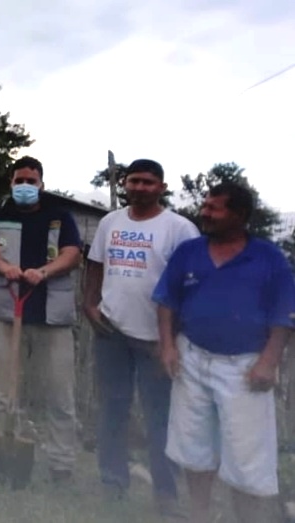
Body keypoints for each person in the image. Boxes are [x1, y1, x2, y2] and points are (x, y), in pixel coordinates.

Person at [153, 182, 295, 523]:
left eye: (214, 208)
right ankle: (199, 516)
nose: (204, 212)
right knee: (193, 446)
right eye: (205, 205)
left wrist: (268, 361)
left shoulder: (268, 258)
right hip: (191, 358)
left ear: (239, 215)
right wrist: (168, 346)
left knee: (246, 455)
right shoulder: (189, 251)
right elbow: (166, 301)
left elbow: (284, 315)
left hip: (245, 366)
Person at [83, 159, 199, 513]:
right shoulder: (110, 222)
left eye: (148, 182)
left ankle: (166, 493)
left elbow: (192, 284)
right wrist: (90, 304)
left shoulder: (179, 228)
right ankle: (113, 483)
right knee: (112, 409)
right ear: (124, 184)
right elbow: (95, 264)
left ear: (162, 187)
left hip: (156, 338)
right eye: (134, 181)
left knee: (159, 416)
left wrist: (171, 338)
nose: (140, 187)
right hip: (112, 331)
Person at [0, 156, 82, 483]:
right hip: (9, 313)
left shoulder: (60, 217)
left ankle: (61, 464)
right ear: (11, 183)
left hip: (53, 317)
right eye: (19, 180)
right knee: (4, 392)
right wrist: (3, 266)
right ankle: (1, 455)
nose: (25, 186)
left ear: (41, 184)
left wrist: (44, 272)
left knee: (60, 394)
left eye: (31, 181)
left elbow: (72, 254)